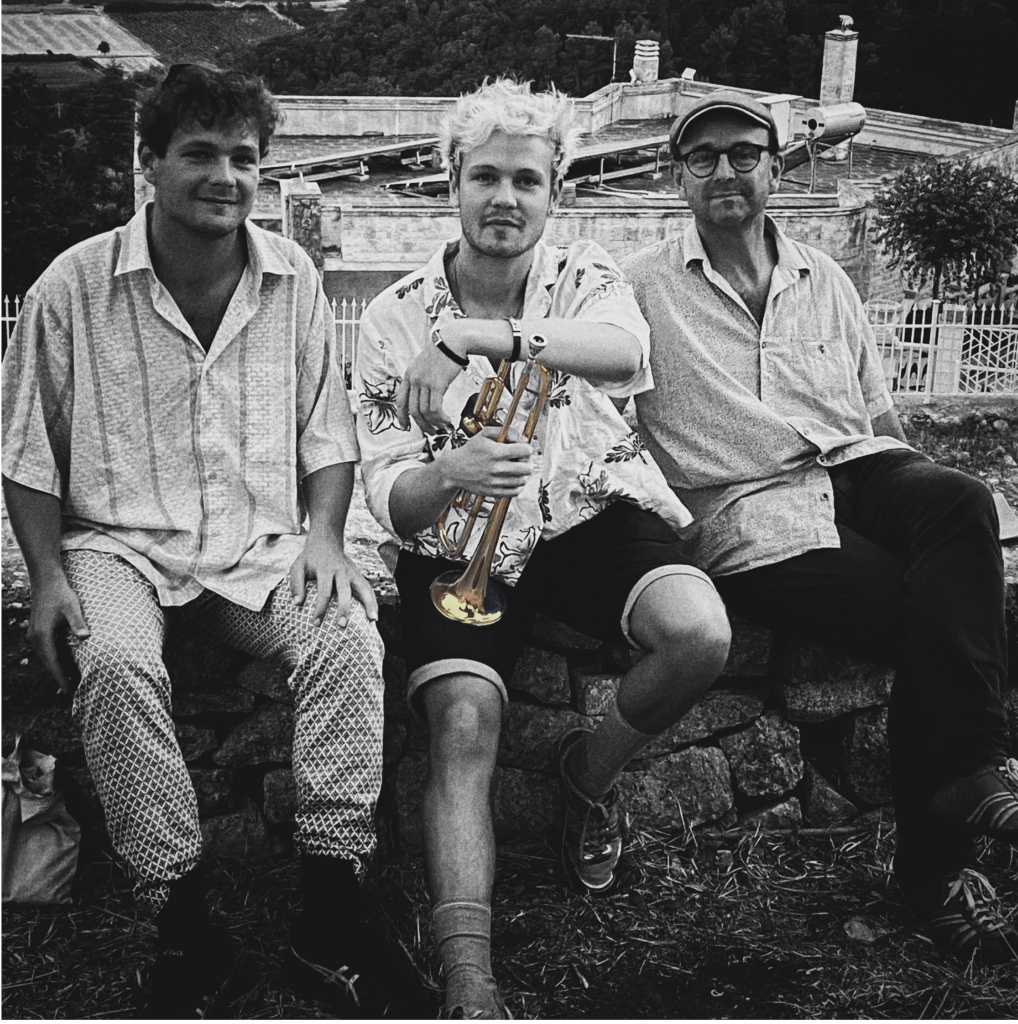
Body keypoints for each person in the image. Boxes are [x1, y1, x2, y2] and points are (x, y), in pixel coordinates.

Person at [1, 64, 426, 1018]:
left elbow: (326, 432)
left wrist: (326, 537)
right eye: (199, 153)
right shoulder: (73, 285)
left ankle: (330, 913)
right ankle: (183, 922)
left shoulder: (295, 278)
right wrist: (47, 577)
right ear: (149, 162)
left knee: (346, 638)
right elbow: (25, 449)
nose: (225, 177)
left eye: (244, 157)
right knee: (113, 662)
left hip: (255, 546)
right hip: (117, 544)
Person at [354, 78, 732, 1019]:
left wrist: (477, 336)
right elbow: (391, 499)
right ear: (451, 180)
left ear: (554, 191)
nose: (505, 198)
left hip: (583, 510)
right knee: (461, 725)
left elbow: (625, 352)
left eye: (527, 179)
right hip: (458, 538)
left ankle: (584, 776)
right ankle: (469, 978)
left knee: (699, 634)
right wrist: (453, 472)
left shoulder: (583, 276)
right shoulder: (389, 318)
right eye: (485, 176)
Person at [623, 90, 1017, 965]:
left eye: (744, 153)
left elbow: (880, 415)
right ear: (678, 176)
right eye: (703, 157)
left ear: (776, 166)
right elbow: (601, 418)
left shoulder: (824, 277)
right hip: (748, 510)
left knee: (960, 500)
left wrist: (917, 503)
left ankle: (971, 773)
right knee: (935, 620)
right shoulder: (639, 287)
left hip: (855, 467)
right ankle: (937, 868)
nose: (725, 170)